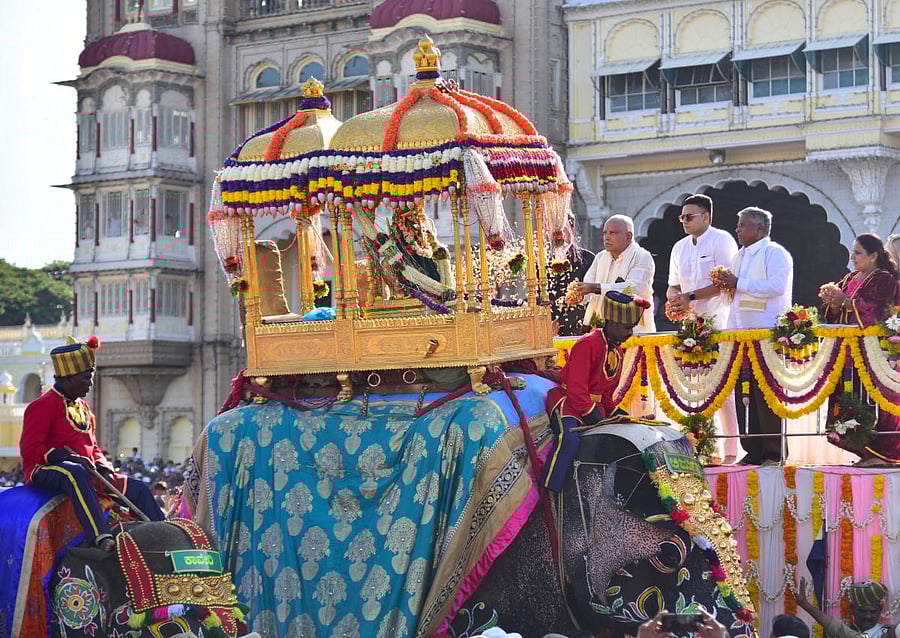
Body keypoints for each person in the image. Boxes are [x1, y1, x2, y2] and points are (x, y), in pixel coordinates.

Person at [19, 336, 165, 552]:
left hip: (88, 470)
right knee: (75, 473)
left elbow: (94, 448)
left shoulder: (85, 409)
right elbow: (30, 449)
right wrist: (65, 457)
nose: (90, 384)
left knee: (138, 488)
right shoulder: (42, 405)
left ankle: (164, 532)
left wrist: (103, 466)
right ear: (68, 378)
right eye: (86, 379)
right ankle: (99, 535)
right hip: (46, 468)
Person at [543, 291, 651, 491]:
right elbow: (576, 389)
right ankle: (549, 492)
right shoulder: (587, 343)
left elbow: (606, 395)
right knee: (570, 439)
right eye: (627, 328)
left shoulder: (617, 351)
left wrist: (616, 413)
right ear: (611, 323)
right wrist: (590, 411)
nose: (630, 333)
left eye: (632, 328)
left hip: (593, 407)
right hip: (568, 403)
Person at [716, 207, 793, 465]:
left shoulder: (776, 253)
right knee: (744, 392)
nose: (737, 229)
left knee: (767, 393)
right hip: (740, 333)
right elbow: (735, 297)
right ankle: (752, 449)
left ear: (759, 229)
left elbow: (776, 286)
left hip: (767, 334)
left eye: (743, 225)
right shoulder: (739, 256)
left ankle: (773, 452)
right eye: (738, 225)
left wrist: (738, 282)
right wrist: (726, 286)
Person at [666, 194, 740, 464]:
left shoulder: (722, 240)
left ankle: (730, 450)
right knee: (693, 387)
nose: (684, 221)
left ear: (707, 217)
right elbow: (673, 284)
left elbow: (726, 283)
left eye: (690, 216)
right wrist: (675, 298)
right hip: (689, 327)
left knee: (722, 387)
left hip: (718, 323)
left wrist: (691, 296)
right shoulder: (679, 247)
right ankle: (700, 446)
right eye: (682, 217)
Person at [821, 233, 900, 465]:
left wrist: (844, 301)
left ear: (874, 256)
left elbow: (874, 312)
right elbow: (835, 313)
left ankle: (881, 455)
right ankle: (864, 452)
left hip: (870, 354)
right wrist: (831, 301)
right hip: (846, 353)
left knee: (870, 400)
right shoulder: (850, 278)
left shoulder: (883, 278)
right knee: (846, 399)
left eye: (857, 253)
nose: (852, 257)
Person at [577, 214, 657, 333]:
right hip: (600, 329)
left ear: (628, 236)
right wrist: (579, 295)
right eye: (605, 233)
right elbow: (588, 286)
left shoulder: (642, 257)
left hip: (633, 331)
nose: (606, 237)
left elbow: (632, 288)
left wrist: (596, 288)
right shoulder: (600, 257)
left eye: (613, 233)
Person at [797, 576, 897, 638]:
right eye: (862, 611)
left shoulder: (890, 633)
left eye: (873, 611)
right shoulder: (835, 634)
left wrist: (806, 605)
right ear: (852, 608)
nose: (868, 616)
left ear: (880, 610)